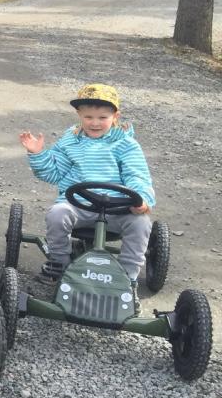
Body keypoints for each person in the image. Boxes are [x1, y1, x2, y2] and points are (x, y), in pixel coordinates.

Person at [19, 83, 155, 310]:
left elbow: (137, 174)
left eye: (102, 117)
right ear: (79, 115)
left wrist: (141, 198)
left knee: (141, 224)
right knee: (57, 214)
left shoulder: (125, 145)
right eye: (89, 116)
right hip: (78, 204)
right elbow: (54, 172)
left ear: (115, 116)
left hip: (117, 209)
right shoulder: (70, 142)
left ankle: (127, 278)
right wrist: (38, 154)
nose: (94, 123)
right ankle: (59, 263)